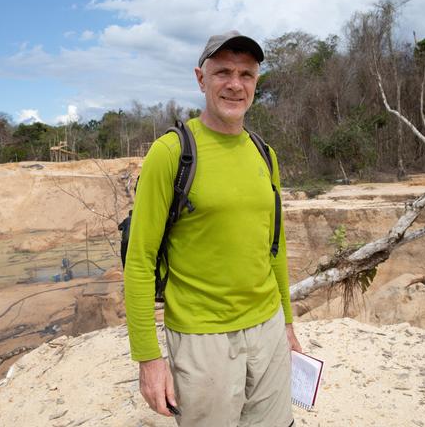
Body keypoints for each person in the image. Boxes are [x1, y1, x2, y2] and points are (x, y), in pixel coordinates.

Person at [124, 31, 301, 426]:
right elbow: (139, 261)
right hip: (202, 340)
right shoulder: (171, 153)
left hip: (268, 329)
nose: (235, 84)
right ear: (201, 79)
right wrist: (149, 360)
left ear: (256, 83)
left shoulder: (264, 154)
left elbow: (276, 248)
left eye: (246, 74)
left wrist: (287, 325)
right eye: (222, 72)